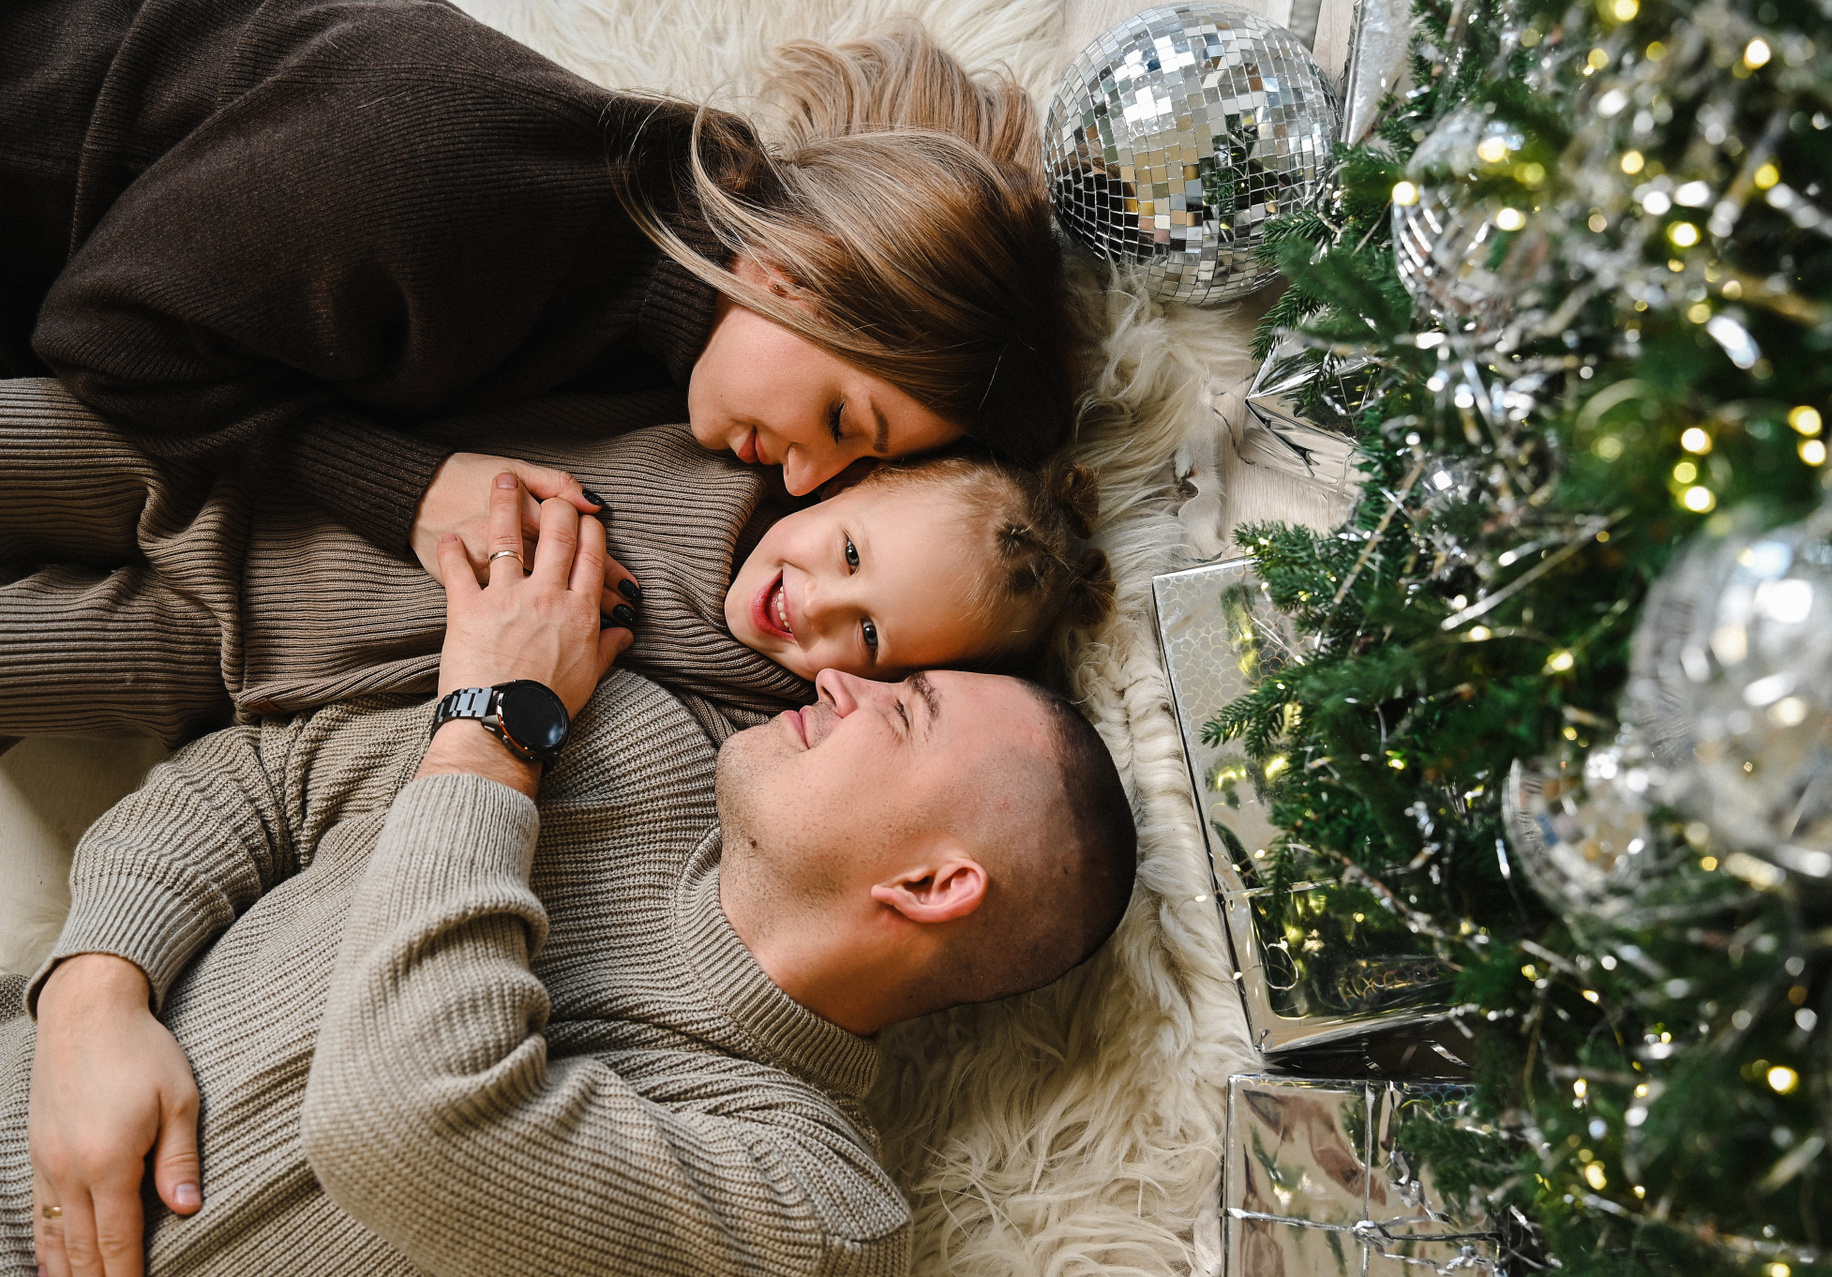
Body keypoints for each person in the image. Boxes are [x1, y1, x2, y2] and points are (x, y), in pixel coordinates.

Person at [3, 481, 1138, 1277]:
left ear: (934, 885)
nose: (842, 682)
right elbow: (259, 779)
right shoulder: (622, 730)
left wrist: (493, 723)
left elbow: (399, 1126)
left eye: (904, 707)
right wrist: (95, 988)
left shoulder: (821, 1210)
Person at [1, 2, 1074, 588]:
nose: (805, 477)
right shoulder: (442, 172)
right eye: (842, 421)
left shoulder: (669, 326)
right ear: (798, 265)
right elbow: (104, 333)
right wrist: (409, 491)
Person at [0, 380, 1113, 745]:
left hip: (225, 658)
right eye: (851, 551)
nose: (817, 603)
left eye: (867, 632)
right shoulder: (716, 434)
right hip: (242, 470)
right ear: (845, 483)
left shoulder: (744, 711)